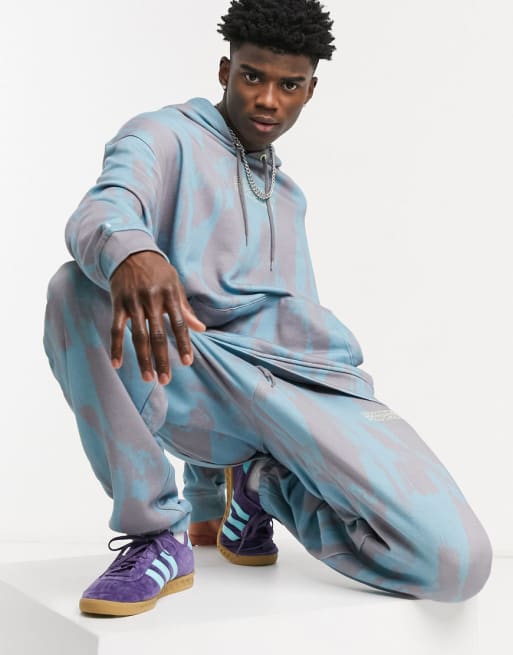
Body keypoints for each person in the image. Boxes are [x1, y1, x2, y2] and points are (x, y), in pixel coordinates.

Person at [43, 0, 492, 617]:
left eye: (289, 86)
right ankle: (156, 537)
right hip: (200, 370)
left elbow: (289, 321)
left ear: (311, 90)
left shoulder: (288, 196)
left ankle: (262, 488)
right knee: (74, 290)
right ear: (224, 69)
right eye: (253, 76)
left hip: (308, 388)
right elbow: (105, 206)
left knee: (458, 563)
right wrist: (131, 251)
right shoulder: (162, 136)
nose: (268, 101)